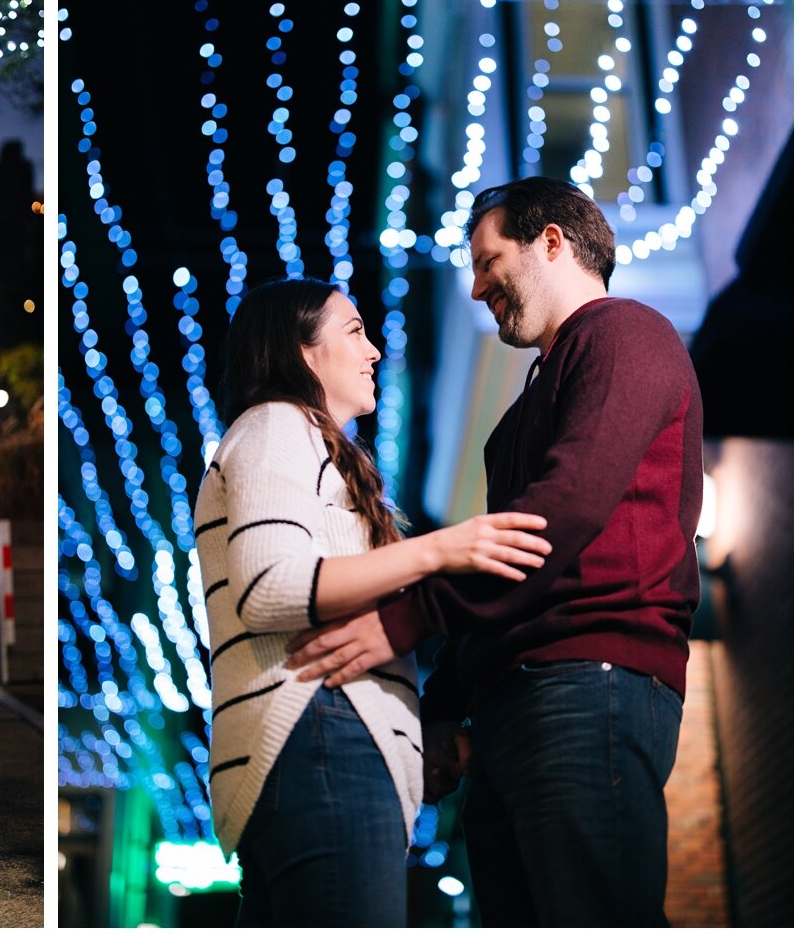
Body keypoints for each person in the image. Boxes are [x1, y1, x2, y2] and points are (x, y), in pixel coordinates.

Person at [287, 177, 703, 926]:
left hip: (591, 679)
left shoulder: (625, 333)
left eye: (488, 261)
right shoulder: (523, 412)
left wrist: (404, 622)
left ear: (552, 242)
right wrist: (446, 706)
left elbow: (561, 514)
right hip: (519, 701)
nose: (477, 288)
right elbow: (509, 565)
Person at [195, 277, 551, 926]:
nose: (375, 351)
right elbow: (269, 587)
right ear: (304, 353)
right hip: (320, 737)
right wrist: (443, 550)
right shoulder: (277, 425)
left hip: (319, 745)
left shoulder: (313, 444)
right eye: (354, 331)